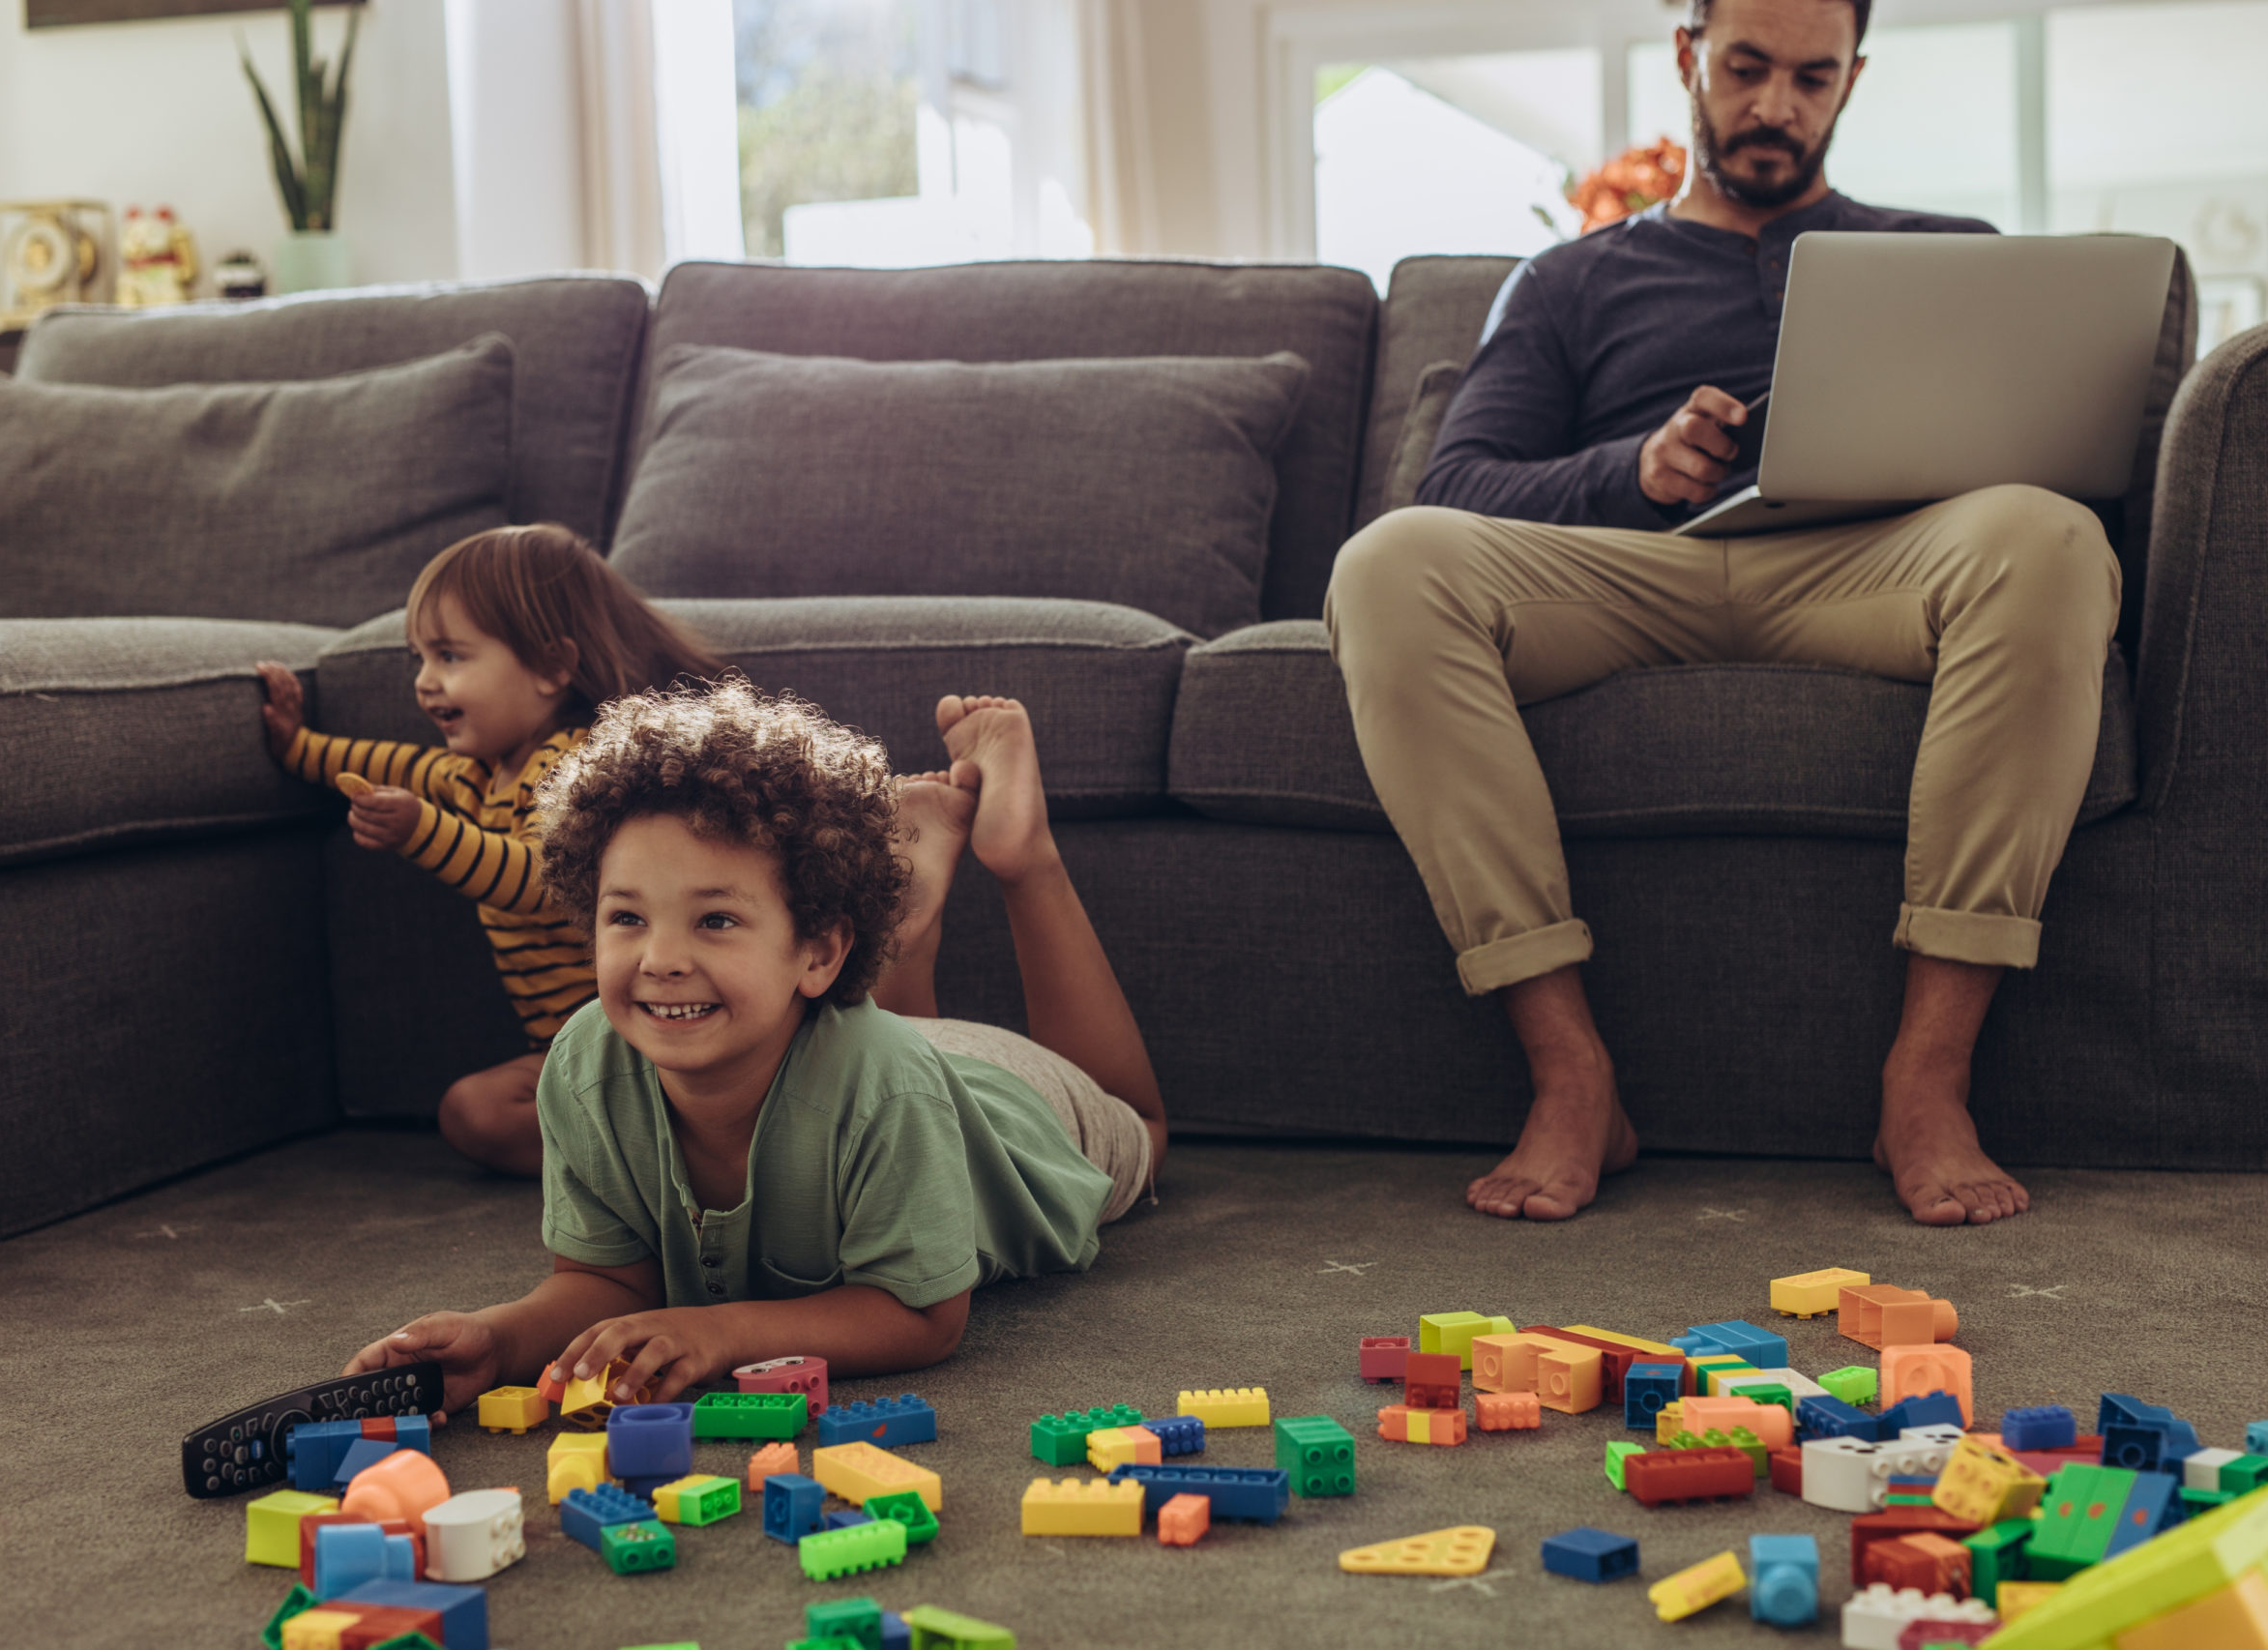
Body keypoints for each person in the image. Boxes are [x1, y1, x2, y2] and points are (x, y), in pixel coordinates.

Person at [1323, 0, 2119, 1226]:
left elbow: (2045, 464)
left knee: (2053, 538)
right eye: (1745, 69)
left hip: (1871, 572)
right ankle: (1569, 1069)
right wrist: (1629, 470)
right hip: (1632, 574)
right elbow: (1455, 486)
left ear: (1852, 79)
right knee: (1388, 563)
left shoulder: (1945, 254)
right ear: (1689, 55)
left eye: (1810, 78)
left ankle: (1928, 1076)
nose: (1773, 108)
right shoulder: (1568, 279)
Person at [339, 683, 1165, 1406]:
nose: (659, 959)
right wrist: (500, 1339)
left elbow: (921, 1316)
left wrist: (723, 1333)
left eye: (716, 920)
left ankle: (1020, 855)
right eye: (626, 917)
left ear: (817, 949)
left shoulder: (888, 1088)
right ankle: (905, 921)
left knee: (1142, 1125)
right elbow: (603, 1283)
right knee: (877, 1041)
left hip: (1003, 1103)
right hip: (865, 1048)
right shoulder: (587, 1066)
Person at [257, 524, 728, 1175]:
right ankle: (648, 1165)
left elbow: (541, 880)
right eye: (420, 658)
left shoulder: (581, 768)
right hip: (575, 1054)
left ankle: (682, 1150)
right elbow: (383, 762)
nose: (425, 683)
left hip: (654, 1037)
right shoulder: (476, 774)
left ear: (551, 667)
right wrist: (296, 747)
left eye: (450, 656)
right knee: (473, 1112)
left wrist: (421, 831)